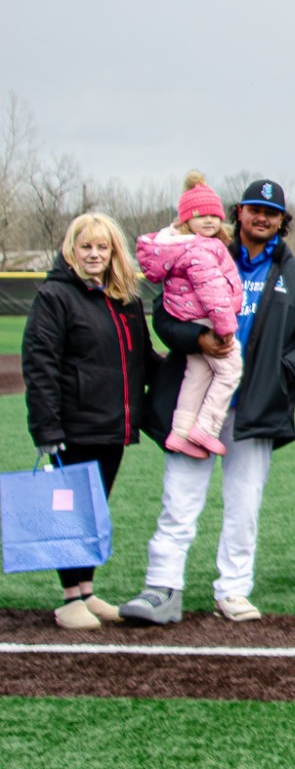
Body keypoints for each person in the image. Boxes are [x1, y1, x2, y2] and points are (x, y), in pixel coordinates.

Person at [124, 179, 295, 626]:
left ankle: (233, 589)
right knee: (179, 499)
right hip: (194, 403)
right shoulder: (201, 251)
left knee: (243, 504)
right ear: (238, 213)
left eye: (271, 213)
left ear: (282, 220)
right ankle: (162, 586)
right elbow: (163, 316)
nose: (262, 218)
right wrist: (196, 338)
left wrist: (280, 372)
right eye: (254, 209)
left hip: (254, 408)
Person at [22, 214, 154, 629]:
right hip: (73, 426)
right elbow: (40, 365)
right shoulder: (54, 296)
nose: (95, 255)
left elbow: (145, 359)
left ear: (114, 252)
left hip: (113, 426)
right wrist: (46, 429)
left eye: (103, 247)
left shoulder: (125, 299)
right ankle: (68, 599)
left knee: (94, 512)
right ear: (71, 250)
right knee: (71, 512)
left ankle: (87, 592)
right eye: (86, 247)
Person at [133, 173, 244, 458]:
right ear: (185, 220)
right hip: (207, 319)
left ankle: (180, 432)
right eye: (200, 215)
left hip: (188, 318)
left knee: (196, 374)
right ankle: (206, 427)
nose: (209, 221)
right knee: (230, 370)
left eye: (213, 215)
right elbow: (213, 292)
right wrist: (224, 328)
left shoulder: (176, 246)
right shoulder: (201, 249)